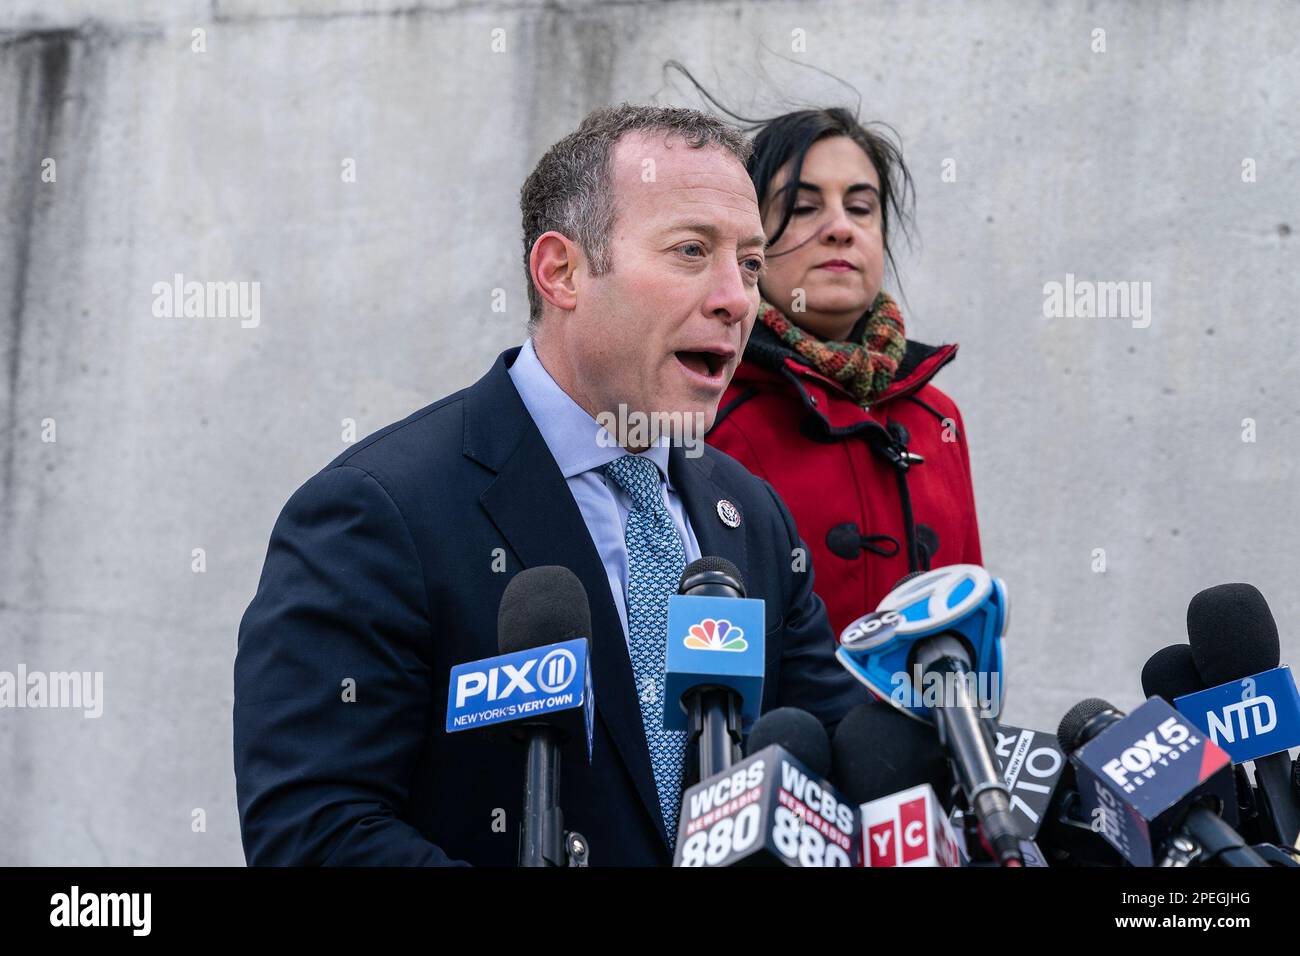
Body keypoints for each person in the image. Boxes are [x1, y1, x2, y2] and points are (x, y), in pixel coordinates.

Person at [233, 105, 868, 867]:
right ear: (561, 272)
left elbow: (837, 765)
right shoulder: (377, 512)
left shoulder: (750, 516)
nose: (737, 299)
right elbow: (317, 834)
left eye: (752, 264)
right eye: (692, 251)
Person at [704, 107, 983, 638]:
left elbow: (973, 622)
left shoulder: (937, 417)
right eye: (805, 208)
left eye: (860, 207)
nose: (839, 228)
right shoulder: (705, 409)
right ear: (750, 242)